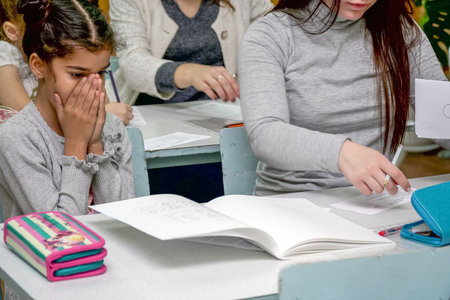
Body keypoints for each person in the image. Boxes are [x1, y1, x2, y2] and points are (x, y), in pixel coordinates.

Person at [238, 0, 450, 196]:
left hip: (373, 204)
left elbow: (441, 118)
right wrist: (341, 153)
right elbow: (265, 134)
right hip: (291, 204)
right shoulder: (270, 35)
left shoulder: (401, 30)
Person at [0, 0, 136, 223]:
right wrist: (76, 144)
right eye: (76, 75)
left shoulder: (112, 128)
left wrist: (95, 145)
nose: (93, 87)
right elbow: (62, 230)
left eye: (100, 73)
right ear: (39, 66)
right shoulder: (17, 138)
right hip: (48, 257)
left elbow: (125, 219)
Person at [108, 0, 273, 105]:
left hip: (227, 114)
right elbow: (133, 62)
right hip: (151, 118)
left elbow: (274, 37)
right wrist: (189, 73)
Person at [0, 0, 134, 125]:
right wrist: (98, 116)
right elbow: (28, 117)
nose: (51, 37)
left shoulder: (71, 58)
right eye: (77, 74)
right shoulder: (5, 53)